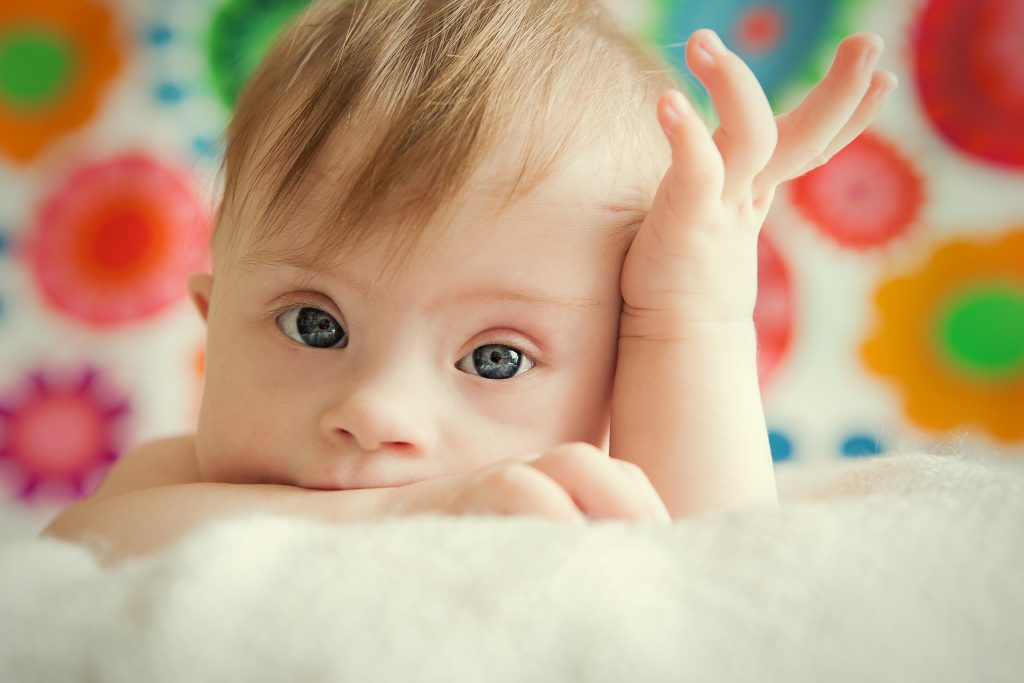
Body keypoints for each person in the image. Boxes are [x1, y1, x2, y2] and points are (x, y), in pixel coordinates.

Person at [44, 0, 896, 563]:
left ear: (614, 392)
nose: (377, 412)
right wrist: (397, 517)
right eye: (314, 324)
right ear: (209, 317)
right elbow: (83, 551)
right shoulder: (183, 492)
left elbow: (723, 576)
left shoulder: (573, 517)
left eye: (497, 359)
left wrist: (688, 318)